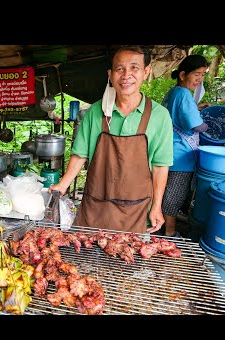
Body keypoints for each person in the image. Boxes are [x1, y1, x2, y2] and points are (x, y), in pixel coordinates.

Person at [49, 45, 173, 234]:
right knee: (86, 260)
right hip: (95, 208)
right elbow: (80, 154)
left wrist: (157, 206)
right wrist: (63, 184)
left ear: (146, 72)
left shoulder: (159, 116)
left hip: (136, 211)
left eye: (134, 68)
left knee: (131, 259)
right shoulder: (96, 112)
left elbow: (160, 166)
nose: (126, 76)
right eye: (119, 69)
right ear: (110, 74)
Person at [161, 54, 210, 237]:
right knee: (173, 197)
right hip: (181, 156)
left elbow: (179, 114)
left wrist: (196, 109)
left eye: (203, 74)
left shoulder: (173, 92)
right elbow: (197, 125)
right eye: (196, 74)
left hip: (168, 151)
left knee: (166, 193)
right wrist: (207, 124)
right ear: (183, 75)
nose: (200, 79)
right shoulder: (184, 94)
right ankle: (170, 233)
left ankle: (164, 228)